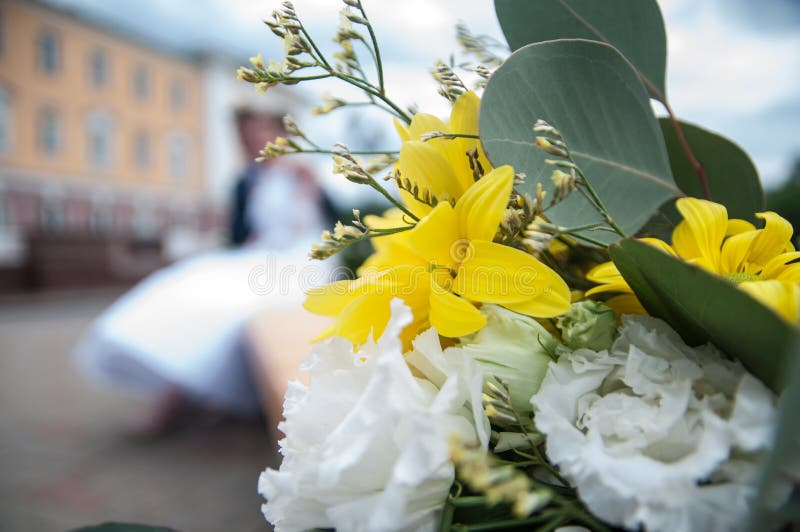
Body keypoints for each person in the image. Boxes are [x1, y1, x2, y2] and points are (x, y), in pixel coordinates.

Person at [75, 107, 336, 436]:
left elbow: (316, 222)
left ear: (282, 135)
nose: (257, 141)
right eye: (251, 136)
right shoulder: (250, 180)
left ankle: (177, 403)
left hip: (300, 261)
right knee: (192, 283)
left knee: (233, 304)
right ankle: (185, 397)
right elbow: (246, 232)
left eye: (264, 133)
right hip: (261, 256)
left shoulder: (299, 171)